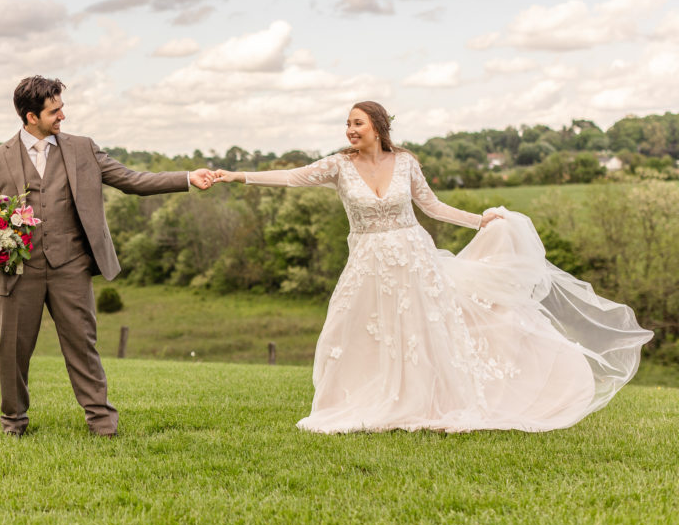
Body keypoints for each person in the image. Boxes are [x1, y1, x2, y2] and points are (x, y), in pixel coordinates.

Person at [213, 101, 652, 433]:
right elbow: (292, 177)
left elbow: (432, 206)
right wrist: (237, 176)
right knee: (353, 330)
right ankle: (352, 401)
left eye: (357, 123)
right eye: (347, 124)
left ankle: (430, 402)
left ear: (377, 128)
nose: (350, 130)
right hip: (367, 261)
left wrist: (479, 220)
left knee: (422, 330)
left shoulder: (406, 163)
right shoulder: (337, 166)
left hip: (413, 257)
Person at [0, 75, 214, 437]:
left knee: (82, 346)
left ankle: (102, 423)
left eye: (61, 108)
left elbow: (131, 180)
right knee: (11, 350)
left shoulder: (83, 149)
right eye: (54, 111)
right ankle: (13, 422)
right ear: (31, 117)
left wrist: (186, 177)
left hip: (70, 268)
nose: (62, 117)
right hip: (19, 271)